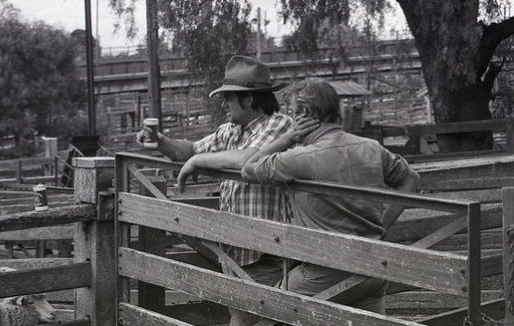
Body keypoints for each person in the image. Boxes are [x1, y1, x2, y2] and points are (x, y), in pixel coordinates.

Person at [137, 55, 317, 326]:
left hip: (266, 249)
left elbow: (250, 160)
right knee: (247, 317)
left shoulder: (279, 125)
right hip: (237, 251)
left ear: (248, 99)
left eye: (228, 98)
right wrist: (161, 143)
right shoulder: (229, 131)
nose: (223, 104)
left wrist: (196, 162)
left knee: (246, 320)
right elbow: (190, 150)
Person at [241, 78, 420, 314]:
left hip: (323, 272)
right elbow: (411, 180)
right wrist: (382, 227)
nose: (292, 121)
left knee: (269, 314)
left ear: (304, 113)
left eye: (294, 114)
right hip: (373, 268)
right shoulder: (371, 148)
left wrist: (288, 138)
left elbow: (247, 168)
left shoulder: (300, 157)